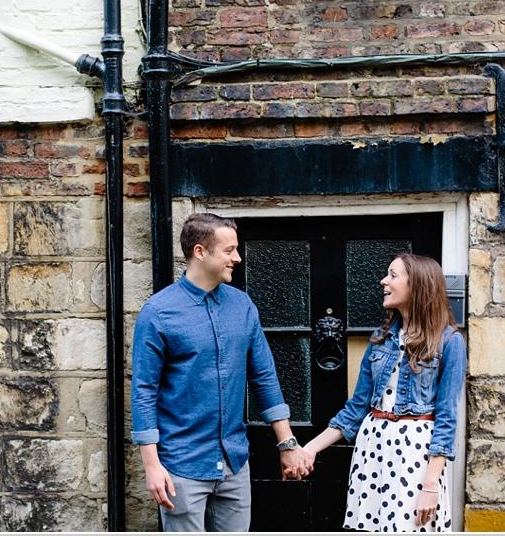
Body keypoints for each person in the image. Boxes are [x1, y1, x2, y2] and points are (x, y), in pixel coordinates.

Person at [131, 213, 314, 532]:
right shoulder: (158, 313)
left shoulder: (242, 306)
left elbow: (264, 377)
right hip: (182, 465)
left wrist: (287, 445)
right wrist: (151, 466)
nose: (238, 258)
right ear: (200, 251)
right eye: (229, 250)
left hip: (234, 464)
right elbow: (144, 392)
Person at [302, 253, 466, 533]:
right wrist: (308, 450)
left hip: (416, 455)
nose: (383, 281)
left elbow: (447, 419)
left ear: (418, 285)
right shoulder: (381, 338)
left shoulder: (450, 342)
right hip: (373, 448)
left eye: (393, 275)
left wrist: (430, 485)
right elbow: (355, 410)